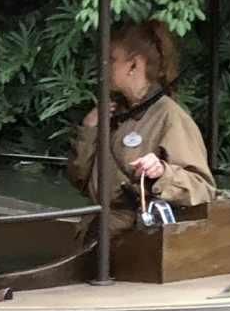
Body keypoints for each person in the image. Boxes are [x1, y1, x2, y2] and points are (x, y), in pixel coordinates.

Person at [65, 19, 216, 214]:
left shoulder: (170, 118)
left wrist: (162, 173)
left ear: (134, 65)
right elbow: (80, 181)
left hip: (139, 235)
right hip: (98, 233)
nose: (104, 66)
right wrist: (89, 130)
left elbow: (202, 189)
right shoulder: (111, 113)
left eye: (112, 59)